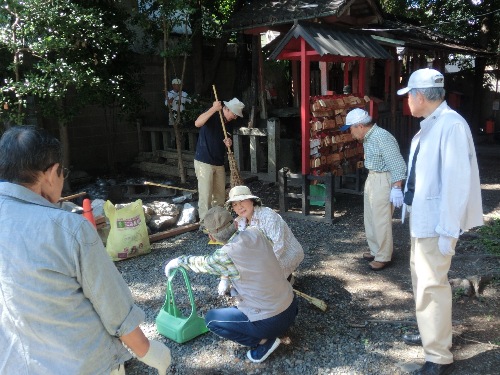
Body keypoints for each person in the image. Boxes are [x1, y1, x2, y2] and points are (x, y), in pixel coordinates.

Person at [0, 126, 171, 375]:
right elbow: (114, 308)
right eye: (63, 173)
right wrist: (149, 351)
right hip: (83, 363)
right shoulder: (69, 229)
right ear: (49, 174)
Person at [397, 68, 483, 375]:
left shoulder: (450, 125)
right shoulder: (432, 124)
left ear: (419, 96)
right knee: (422, 282)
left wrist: (449, 229)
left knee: (431, 286)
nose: (407, 101)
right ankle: (429, 332)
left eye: (408, 95)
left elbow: (456, 183)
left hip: (436, 223)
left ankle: (438, 356)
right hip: (424, 219)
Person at [164, 206, 298, 363]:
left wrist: (179, 261)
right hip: (291, 306)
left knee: (211, 319)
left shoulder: (225, 255)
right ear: (235, 223)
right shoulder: (256, 232)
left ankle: (264, 342)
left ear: (212, 237)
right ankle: (273, 329)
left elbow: (202, 263)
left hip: (270, 321)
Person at [340, 108, 407, 271]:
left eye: (351, 128)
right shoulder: (369, 138)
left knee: (381, 219)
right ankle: (375, 250)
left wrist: (397, 187)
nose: (351, 132)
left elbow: (397, 163)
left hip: (383, 178)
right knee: (370, 217)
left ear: (360, 126)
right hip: (373, 177)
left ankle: (384, 256)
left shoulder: (381, 136)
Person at [220, 185, 303, 291]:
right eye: (235, 204)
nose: (239, 207)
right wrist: (225, 277)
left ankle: (285, 280)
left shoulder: (268, 216)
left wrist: (258, 270)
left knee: (266, 288)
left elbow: (278, 247)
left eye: (242, 201)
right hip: (261, 258)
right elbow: (233, 248)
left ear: (252, 200)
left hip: (284, 255)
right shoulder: (239, 222)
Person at [194, 97, 245, 220]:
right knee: (206, 194)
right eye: (234, 114)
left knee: (220, 195)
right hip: (204, 160)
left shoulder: (229, 123)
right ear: (227, 109)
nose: (235, 117)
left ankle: (218, 220)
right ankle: (205, 223)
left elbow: (224, 138)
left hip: (219, 162)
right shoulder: (213, 113)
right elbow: (197, 123)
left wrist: (228, 142)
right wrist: (213, 108)